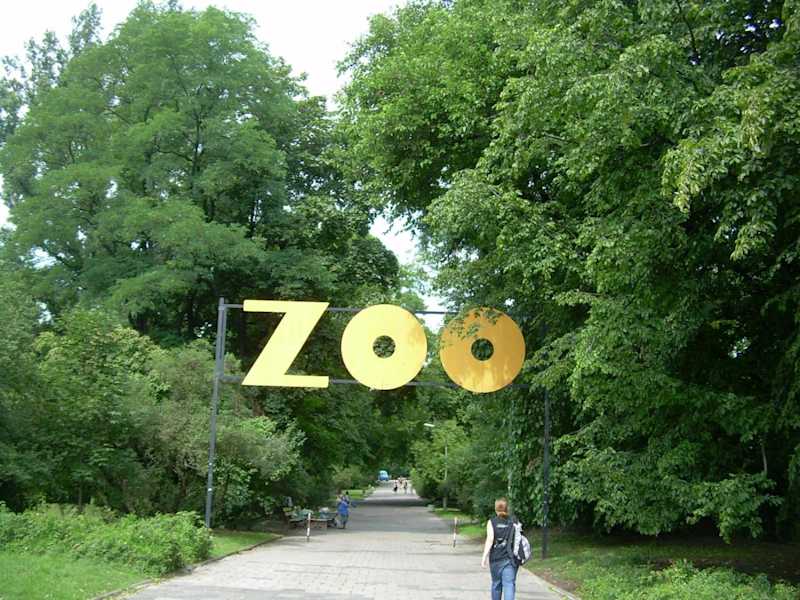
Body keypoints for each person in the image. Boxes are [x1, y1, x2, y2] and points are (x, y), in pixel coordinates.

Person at [481, 498, 518, 600]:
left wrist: (484, 556)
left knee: (496, 584)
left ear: (495, 509)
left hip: (496, 559)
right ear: (507, 508)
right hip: (510, 559)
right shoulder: (514, 521)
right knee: (509, 585)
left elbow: (490, 540)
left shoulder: (492, 522)